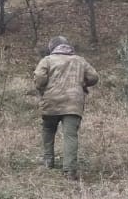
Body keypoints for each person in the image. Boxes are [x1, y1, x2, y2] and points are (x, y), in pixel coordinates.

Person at [33, 36, 100, 180]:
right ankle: (69, 171)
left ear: (52, 48)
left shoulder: (47, 60)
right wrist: (82, 84)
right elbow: (94, 77)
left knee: (48, 130)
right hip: (73, 103)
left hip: (51, 101)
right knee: (70, 135)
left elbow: (39, 77)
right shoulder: (80, 60)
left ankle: (48, 161)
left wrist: (41, 88)